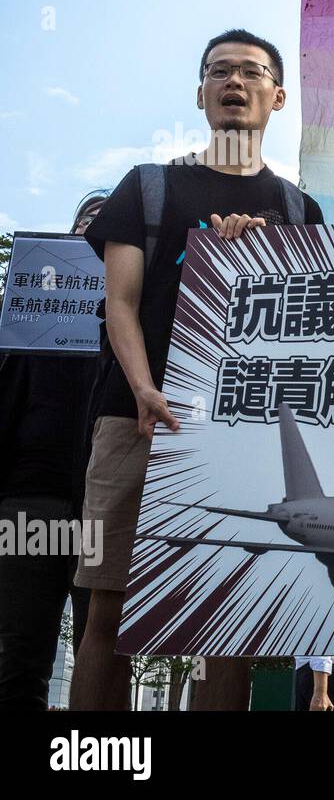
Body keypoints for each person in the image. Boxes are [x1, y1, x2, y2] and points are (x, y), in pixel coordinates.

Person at [69, 29, 325, 710]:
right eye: (218, 72)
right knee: (108, 613)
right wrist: (145, 388)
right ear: (200, 92)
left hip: (243, 435)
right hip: (134, 421)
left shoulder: (301, 211)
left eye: (249, 72)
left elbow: (308, 330)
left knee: (226, 621)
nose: (233, 82)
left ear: (278, 95)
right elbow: (119, 304)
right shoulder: (148, 188)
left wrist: (269, 256)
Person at [0, 194, 105, 710]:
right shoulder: (24, 320)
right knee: (21, 652)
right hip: (30, 502)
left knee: (98, 649)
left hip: (101, 507)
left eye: (109, 222)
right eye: (87, 218)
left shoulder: (133, 316)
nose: (95, 228)